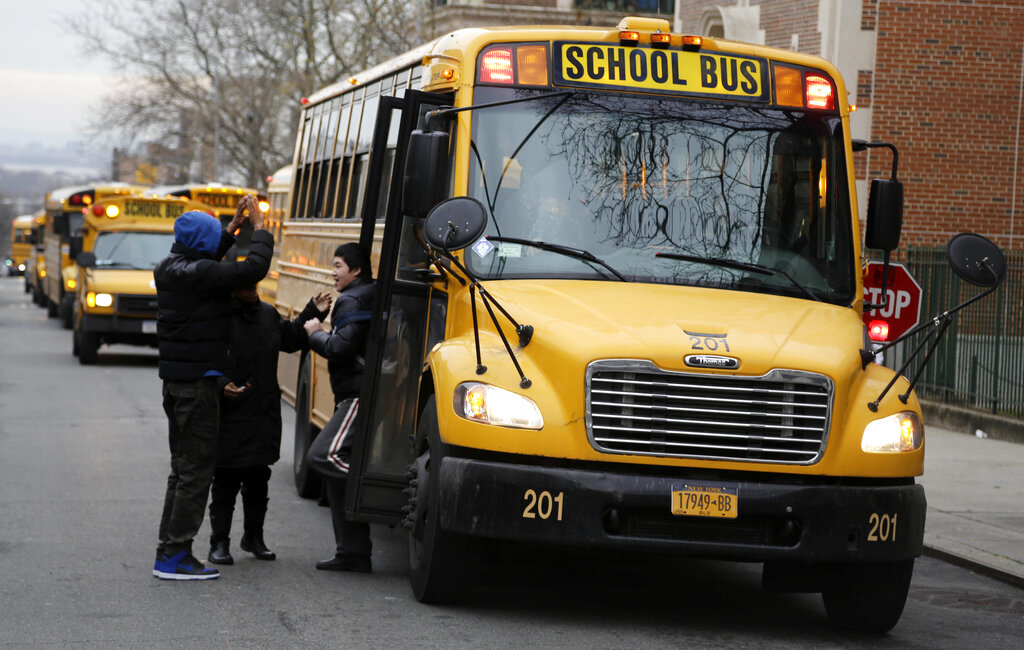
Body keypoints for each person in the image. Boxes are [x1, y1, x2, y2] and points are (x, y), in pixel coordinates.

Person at [152, 195, 272, 580]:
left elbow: (209, 265)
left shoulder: (172, 267)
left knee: (181, 471)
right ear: (203, 244)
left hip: (177, 385)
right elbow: (253, 267)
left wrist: (231, 230)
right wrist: (261, 229)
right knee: (196, 473)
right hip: (196, 388)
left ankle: (169, 551)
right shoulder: (198, 275)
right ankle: (175, 556)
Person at [207, 285, 333, 566]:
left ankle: (253, 537)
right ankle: (219, 542)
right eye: (246, 287)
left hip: (262, 410)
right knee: (226, 479)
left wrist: (313, 311)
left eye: (254, 286)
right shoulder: (218, 317)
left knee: (258, 477)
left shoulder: (266, 314)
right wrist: (220, 384)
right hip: (230, 411)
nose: (253, 290)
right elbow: (205, 360)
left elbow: (290, 338)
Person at [302, 242, 377, 573]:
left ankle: (376, 491)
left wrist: (314, 334)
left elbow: (341, 348)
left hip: (357, 393)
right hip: (358, 391)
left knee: (323, 456)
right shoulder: (367, 292)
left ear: (356, 270)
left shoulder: (352, 298)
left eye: (338, 266)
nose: (333, 273)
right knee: (336, 476)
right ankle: (353, 552)